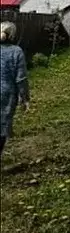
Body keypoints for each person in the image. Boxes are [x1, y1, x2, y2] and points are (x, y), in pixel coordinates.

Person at [0, 21, 30, 159]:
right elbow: (21, 78)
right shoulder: (16, 51)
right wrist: (25, 98)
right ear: (12, 35)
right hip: (6, 95)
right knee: (2, 128)